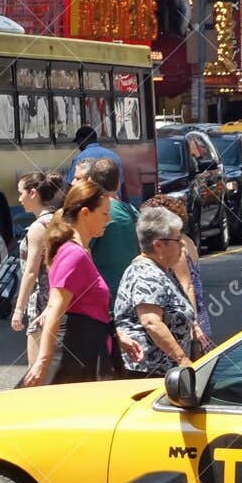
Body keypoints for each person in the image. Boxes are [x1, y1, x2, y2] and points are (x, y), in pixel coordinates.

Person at [25, 181, 126, 386]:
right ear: (85, 213)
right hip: (76, 359)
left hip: (87, 354)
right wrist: (42, 362)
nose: (109, 219)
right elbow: (55, 308)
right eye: (105, 214)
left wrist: (117, 336)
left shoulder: (81, 251)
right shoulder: (74, 254)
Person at [112, 207, 197, 378]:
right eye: (177, 239)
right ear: (158, 245)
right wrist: (182, 360)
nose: (182, 244)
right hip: (148, 372)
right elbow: (151, 322)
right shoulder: (146, 274)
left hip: (161, 369)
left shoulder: (160, 270)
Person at [140, 194, 212, 356]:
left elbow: (187, 285)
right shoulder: (186, 240)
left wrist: (193, 323)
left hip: (190, 318)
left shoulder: (177, 247)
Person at [11, 172, 64, 368]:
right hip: (58, 296)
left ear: (33, 193)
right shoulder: (59, 220)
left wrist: (18, 309)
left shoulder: (38, 227)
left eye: (21, 193)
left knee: (36, 367)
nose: (19, 199)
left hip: (42, 299)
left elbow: (31, 271)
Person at [83, 158, 138, 298]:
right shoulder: (132, 211)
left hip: (104, 293)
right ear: (118, 184)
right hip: (131, 290)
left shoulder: (94, 214)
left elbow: (84, 252)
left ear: (91, 183)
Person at [67, 126, 124, 193]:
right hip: (115, 200)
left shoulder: (80, 158)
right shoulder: (115, 156)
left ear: (82, 140)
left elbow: (71, 184)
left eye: (78, 142)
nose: (78, 145)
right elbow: (122, 184)